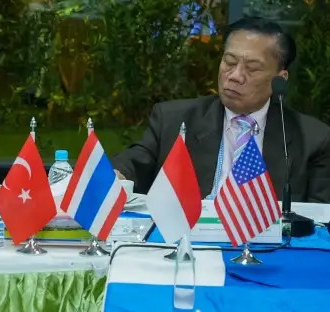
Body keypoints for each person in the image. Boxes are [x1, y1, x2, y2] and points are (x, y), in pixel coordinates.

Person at [112, 17, 330, 202]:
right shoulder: (173, 119)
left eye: (252, 68)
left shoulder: (313, 139)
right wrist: (117, 174)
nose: (235, 76)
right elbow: (135, 161)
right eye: (229, 62)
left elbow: (320, 217)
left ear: (279, 79)